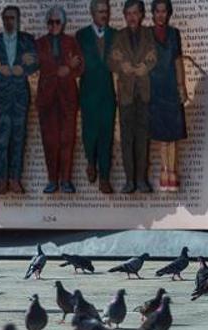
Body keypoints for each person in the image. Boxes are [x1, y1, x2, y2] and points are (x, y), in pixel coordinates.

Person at [0, 5, 38, 195]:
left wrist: (24, 69)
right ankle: (2, 180)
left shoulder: (27, 40)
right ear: (2, 20)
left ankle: (15, 180)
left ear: (18, 20)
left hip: (19, 95)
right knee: (1, 139)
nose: (9, 21)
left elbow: (35, 62)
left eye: (13, 18)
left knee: (18, 138)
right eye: (7, 18)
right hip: (1, 96)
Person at [109, 0, 157, 194]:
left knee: (143, 137)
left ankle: (142, 180)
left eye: (135, 13)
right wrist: (121, 66)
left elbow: (155, 56)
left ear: (142, 14)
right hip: (127, 95)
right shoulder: (119, 36)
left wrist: (147, 65)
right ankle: (129, 181)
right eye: (128, 14)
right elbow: (110, 61)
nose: (131, 17)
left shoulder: (149, 33)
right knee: (127, 138)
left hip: (145, 93)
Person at [35, 6, 84, 194]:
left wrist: (70, 69)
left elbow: (81, 67)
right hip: (47, 99)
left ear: (62, 23)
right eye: (50, 22)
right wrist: (64, 68)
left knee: (67, 140)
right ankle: (52, 180)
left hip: (67, 99)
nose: (53, 25)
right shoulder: (39, 43)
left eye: (57, 22)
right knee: (50, 141)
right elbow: (40, 64)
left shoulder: (71, 42)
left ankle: (66, 180)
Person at [76, 0, 117, 194]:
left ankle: (105, 178)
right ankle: (90, 161)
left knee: (106, 135)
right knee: (89, 133)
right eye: (100, 11)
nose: (104, 15)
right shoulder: (81, 35)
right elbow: (75, 65)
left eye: (106, 11)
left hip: (108, 93)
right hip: (88, 93)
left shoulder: (115, 35)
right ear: (92, 13)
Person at [149, 0, 187, 192]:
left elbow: (178, 61)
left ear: (169, 13)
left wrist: (182, 86)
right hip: (155, 89)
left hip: (172, 88)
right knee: (163, 136)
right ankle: (164, 171)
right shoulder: (146, 34)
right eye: (158, 11)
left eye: (164, 11)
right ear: (153, 13)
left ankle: (173, 171)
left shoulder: (174, 34)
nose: (161, 15)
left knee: (173, 135)